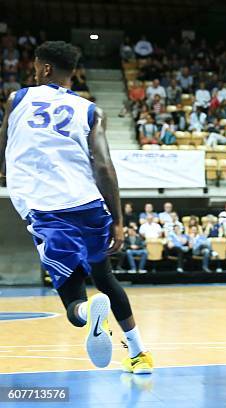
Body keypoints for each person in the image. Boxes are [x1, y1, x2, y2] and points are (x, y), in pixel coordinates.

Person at [0, 41, 152, 372]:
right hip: (89, 204)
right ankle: (139, 354)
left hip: (46, 208)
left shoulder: (19, 99)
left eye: (36, 67)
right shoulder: (91, 110)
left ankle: (87, 314)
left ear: (46, 69)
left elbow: (3, 147)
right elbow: (104, 166)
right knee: (106, 278)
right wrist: (118, 220)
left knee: (72, 296)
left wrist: (5, 172)